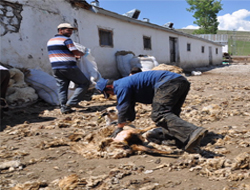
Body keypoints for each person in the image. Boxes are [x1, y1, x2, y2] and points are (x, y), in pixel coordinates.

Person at [95, 70, 208, 153]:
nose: (112, 95)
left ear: (109, 87)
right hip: (180, 82)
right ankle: (173, 138)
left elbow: (123, 106)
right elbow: (129, 106)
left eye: (109, 93)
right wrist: (128, 120)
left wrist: (119, 127)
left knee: (159, 114)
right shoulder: (125, 84)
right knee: (171, 113)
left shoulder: (120, 86)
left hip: (168, 83)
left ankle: (193, 132)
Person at [47, 23, 90, 114]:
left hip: (56, 68)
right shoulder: (66, 40)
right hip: (68, 67)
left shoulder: (50, 40)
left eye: (71, 30)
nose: (70, 32)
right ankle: (72, 102)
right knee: (84, 83)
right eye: (68, 30)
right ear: (60, 30)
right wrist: (82, 54)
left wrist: (74, 57)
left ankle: (64, 108)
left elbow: (61, 53)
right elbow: (75, 51)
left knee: (62, 88)